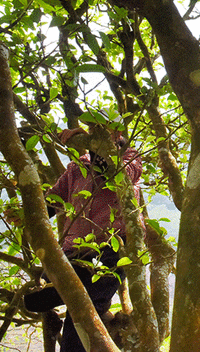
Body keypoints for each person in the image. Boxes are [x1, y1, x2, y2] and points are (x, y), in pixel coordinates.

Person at [23, 126, 142, 352]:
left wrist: (93, 141)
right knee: (73, 294)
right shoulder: (78, 167)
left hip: (112, 247)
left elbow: (114, 173)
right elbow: (53, 200)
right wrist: (26, 214)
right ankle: (56, 288)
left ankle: (58, 294)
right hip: (75, 249)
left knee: (87, 306)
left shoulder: (129, 159)